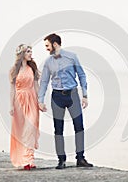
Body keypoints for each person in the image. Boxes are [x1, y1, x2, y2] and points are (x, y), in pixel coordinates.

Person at [38, 33, 93, 169]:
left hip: (73, 95)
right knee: (58, 129)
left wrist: (85, 95)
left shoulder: (72, 57)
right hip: (57, 97)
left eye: (47, 45)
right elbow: (44, 82)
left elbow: (81, 75)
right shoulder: (48, 62)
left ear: (55, 44)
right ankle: (61, 160)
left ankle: (80, 159)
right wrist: (41, 100)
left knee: (79, 127)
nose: (46, 48)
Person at [9, 44, 40, 170]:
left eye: (31, 51)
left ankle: (29, 159)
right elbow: (12, 89)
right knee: (22, 131)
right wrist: (11, 105)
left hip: (32, 100)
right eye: (28, 51)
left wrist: (40, 102)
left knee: (31, 128)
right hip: (19, 102)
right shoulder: (13, 70)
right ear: (22, 54)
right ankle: (25, 160)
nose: (30, 53)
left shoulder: (32, 67)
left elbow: (36, 86)